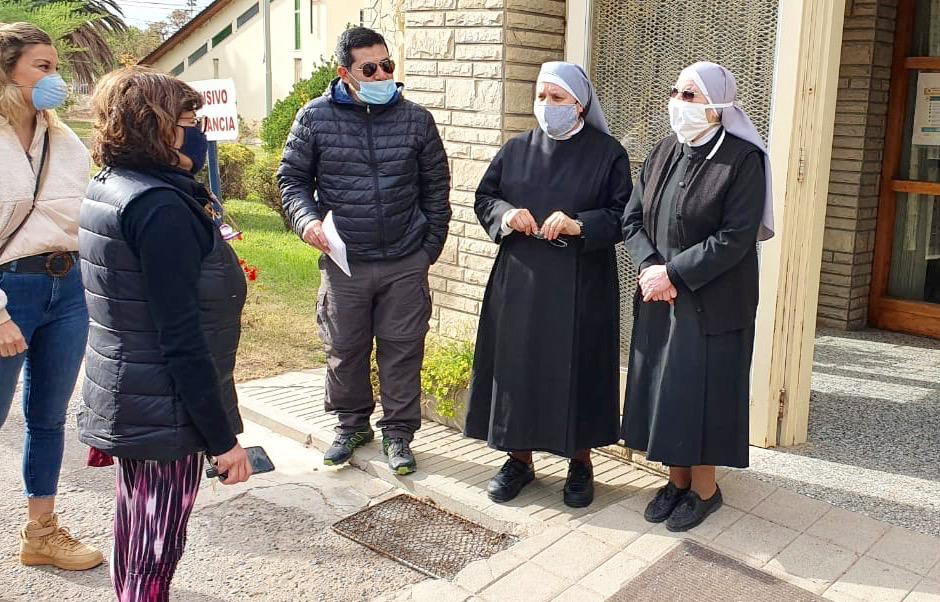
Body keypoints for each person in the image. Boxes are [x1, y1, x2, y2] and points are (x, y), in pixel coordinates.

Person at [78, 66, 253, 600]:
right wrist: (223, 441)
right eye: (187, 120)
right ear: (155, 127)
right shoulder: (158, 207)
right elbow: (180, 337)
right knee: (153, 551)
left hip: (134, 393)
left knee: (135, 538)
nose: (198, 129)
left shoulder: (114, 184)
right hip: (163, 409)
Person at [279, 27, 451, 473]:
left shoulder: (416, 119)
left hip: (404, 259)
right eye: (369, 68)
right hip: (344, 261)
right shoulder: (314, 118)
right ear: (345, 73)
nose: (382, 74)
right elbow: (293, 180)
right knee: (345, 347)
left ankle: (399, 434)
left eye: (387, 65)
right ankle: (351, 425)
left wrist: (426, 249)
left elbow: (437, 189)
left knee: (402, 349)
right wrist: (306, 220)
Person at [465, 62, 632, 507]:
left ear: (579, 105)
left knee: (577, 366)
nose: (546, 106)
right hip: (520, 279)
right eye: (541, 96)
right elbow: (484, 197)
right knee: (519, 366)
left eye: (557, 98)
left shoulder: (608, 153)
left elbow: (623, 216)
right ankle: (518, 459)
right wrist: (505, 214)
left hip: (582, 283)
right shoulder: (516, 149)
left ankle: (580, 463)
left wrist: (580, 224)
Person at [621, 62, 773, 532]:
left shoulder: (743, 160)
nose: (678, 103)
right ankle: (675, 480)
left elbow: (735, 237)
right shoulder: (664, 150)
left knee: (701, 394)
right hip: (659, 294)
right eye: (675, 92)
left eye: (689, 95)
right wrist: (650, 269)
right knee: (664, 391)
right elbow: (632, 219)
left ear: (717, 106)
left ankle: (705, 490)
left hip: (714, 300)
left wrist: (673, 274)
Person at [0, 22, 103, 571]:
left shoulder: (62, 138)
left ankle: (41, 533)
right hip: (7, 288)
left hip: (68, 287)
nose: (55, 78)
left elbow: (85, 214)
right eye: (43, 66)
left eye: (56, 65)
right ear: (6, 70)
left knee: (48, 416)